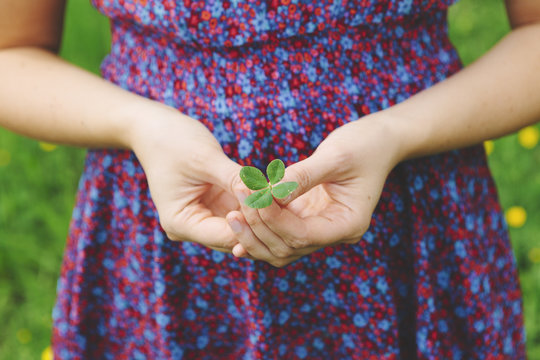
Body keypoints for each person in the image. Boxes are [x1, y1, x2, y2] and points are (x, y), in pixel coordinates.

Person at [0, 0, 538, 358]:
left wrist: (397, 132)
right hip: (159, 227)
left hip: (410, 209)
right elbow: (11, 53)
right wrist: (139, 124)